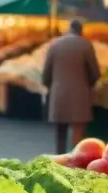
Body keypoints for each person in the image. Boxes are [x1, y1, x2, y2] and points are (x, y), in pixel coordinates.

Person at [42, 20, 100, 154]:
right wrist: (88, 86)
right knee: (77, 134)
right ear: (81, 31)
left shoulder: (55, 45)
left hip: (59, 95)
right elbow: (95, 73)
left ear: (69, 29)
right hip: (80, 96)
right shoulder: (85, 45)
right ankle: (75, 160)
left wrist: (52, 87)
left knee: (60, 133)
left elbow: (46, 74)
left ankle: (59, 159)